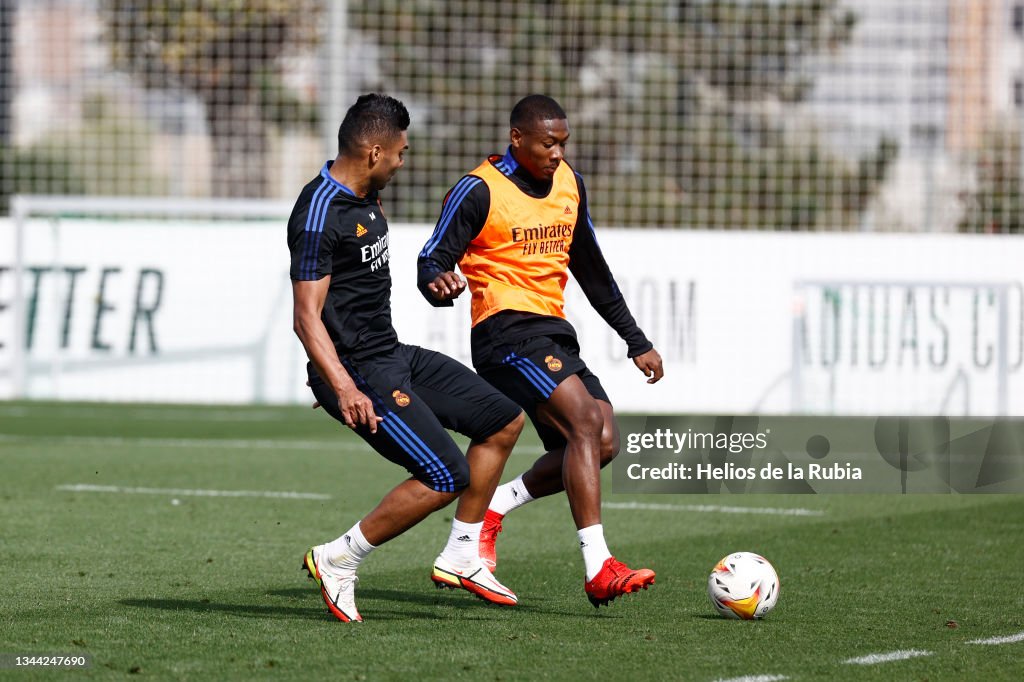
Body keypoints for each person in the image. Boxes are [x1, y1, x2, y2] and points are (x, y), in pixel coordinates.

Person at [417, 94, 665, 608]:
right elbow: (431, 257)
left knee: (603, 441)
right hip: (502, 331)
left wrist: (636, 340)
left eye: (562, 143)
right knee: (582, 423)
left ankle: (495, 509)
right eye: (548, 143)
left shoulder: (569, 183)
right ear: (518, 139)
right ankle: (599, 566)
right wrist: (438, 281)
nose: (557, 152)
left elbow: (592, 270)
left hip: (551, 332)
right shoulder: (478, 189)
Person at [289, 93, 525, 622]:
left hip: (391, 355)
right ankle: (338, 559)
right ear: (374, 151)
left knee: (504, 419)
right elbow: (307, 316)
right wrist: (340, 385)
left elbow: (359, 291)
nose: (402, 161)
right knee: (445, 473)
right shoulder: (318, 212)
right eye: (399, 152)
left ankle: (462, 555)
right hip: (359, 374)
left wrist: (435, 288)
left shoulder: (366, 194)